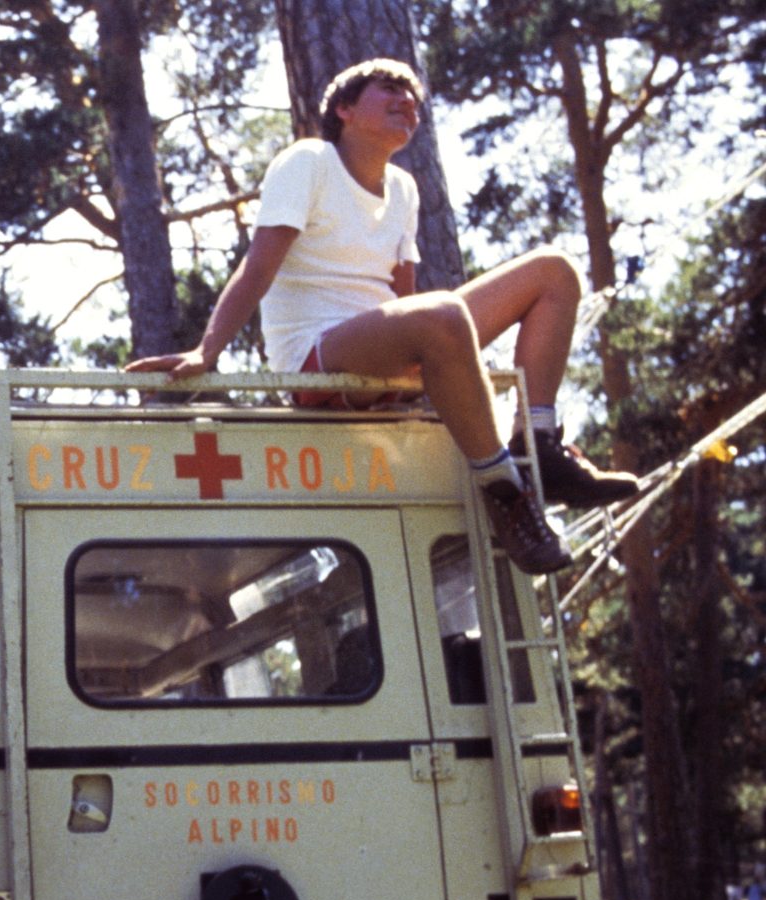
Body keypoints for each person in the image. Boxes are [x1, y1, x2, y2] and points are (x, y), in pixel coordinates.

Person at [126, 58, 637, 575]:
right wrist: (207, 350)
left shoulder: (405, 189)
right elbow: (257, 267)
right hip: (319, 358)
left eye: (413, 96)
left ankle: (539, 443)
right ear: (344, 109)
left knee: (554, 271)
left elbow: (402, 298)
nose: (406, 101)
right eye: (389, 88)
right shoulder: (309, 162)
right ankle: (505, 491)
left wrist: (435, 386)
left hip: (391, 348)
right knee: (441, 313)